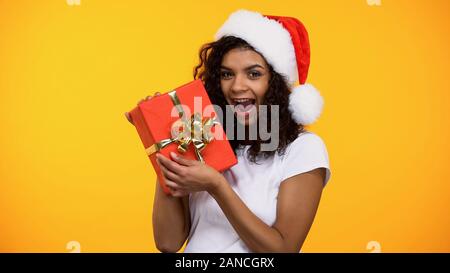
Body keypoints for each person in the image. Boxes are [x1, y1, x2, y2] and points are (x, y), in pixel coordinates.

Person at [125, 9, 331, 253]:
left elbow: (283, 249)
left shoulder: (303, 148)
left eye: (254, 74)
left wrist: (217, 186)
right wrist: (165, 143)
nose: (237, 86)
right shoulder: (205, 143)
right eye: (227, 74)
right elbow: (167, 243)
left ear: (274, 83)